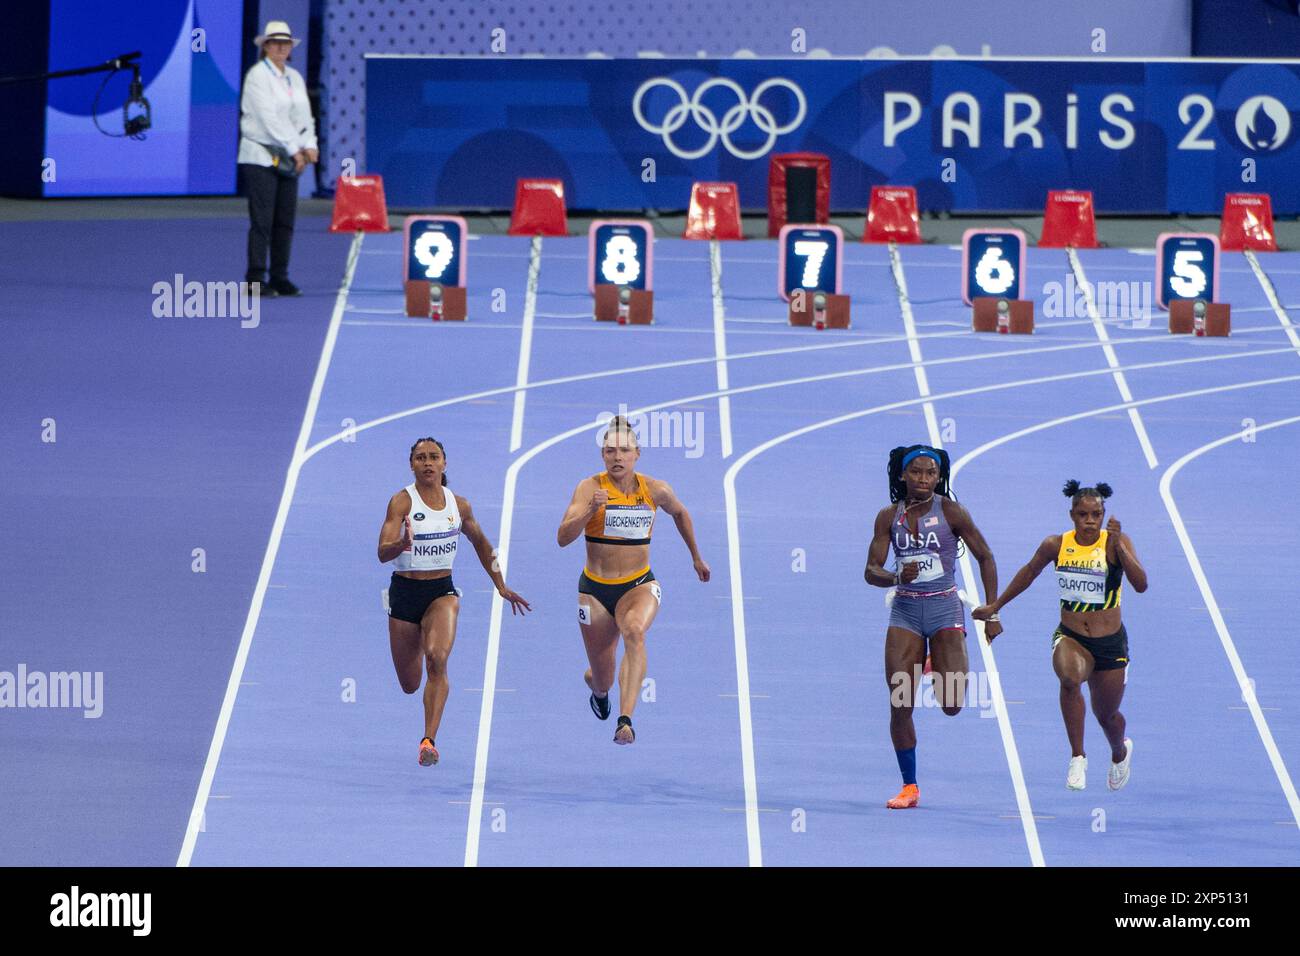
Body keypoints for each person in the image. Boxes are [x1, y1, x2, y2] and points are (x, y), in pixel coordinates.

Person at [973, 481, 1147, 791]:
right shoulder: (1056, 545)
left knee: (1107, 716)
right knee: (1069, 679)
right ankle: (1077, 756)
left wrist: (1119, 546)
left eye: (1096, 514)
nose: (1090, 521)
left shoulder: (1115, 543)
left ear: (1104, 515)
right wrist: (996, 606)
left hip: (1110, 644)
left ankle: (1120, 751)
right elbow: (1028, 572)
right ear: (1072, 515)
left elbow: (1141, 584)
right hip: (1071, 637)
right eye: (1083, 515)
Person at [556, 416, 710, 744]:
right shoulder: (589, 488)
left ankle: (625, 720)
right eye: (610, 450)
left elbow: (680, 513)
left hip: (638, 585)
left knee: (635, 632)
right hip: (595, 591)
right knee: (603, 677)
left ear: (636, 454)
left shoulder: (655, 489)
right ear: (602, 455)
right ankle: (598, 688)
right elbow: (562, 537)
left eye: (624, 450)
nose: (617, 457)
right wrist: (588, 513)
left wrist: (695, 556)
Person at [378, 438, 530, 766]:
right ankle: (418, 636)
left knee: (437, 658)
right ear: (412, 465)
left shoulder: (458, 506)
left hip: (441, 594)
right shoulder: (401, 502)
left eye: (434, 457)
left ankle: (428, 740)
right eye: (420, 458)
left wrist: (500, 586)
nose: (427, 463)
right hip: (404, 594)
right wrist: (401, 544)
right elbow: (381, 553)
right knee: (409, 684)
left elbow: (482, 544)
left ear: (445, 464)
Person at [864, 445, 1002, 809]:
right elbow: (870, 571)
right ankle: (909, 786)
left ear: (939, 477)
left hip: (945, 611)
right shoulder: (887, 518)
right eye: (917, 473)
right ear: (902, 475)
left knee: (952, 704)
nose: (923, 480)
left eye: (930, 474)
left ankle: (932, 662)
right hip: (906, 614)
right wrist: (895, 575)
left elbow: (985, 556)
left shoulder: (952, 512)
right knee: (900, 704)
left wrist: (992, 611)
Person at [237, 20, 318, 297]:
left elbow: (303, 116)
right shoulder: (257, 76)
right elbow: (268, 119)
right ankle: (255, 278)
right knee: (263, 220)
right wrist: (295, 149)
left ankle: (280, 276)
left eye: (285, 43)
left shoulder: (294, 77)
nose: (281, 47)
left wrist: (310, 144)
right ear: (266, 46)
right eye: (275, 42)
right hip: (261, 155)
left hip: (290, 157)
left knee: (285, 220)